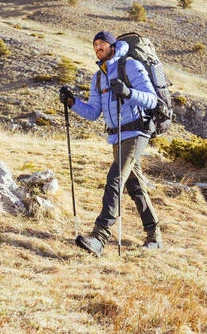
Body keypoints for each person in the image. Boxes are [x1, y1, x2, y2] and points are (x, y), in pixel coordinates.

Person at [59, 30, 162, 255]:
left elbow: (151, 99)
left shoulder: (130, 66)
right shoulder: (98, 77)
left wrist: (128, 92)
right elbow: (93, 112)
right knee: (135, 186)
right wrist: (72, 102)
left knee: (115, 179)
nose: (98, 47)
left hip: (136, 132)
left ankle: (100, 237)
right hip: (117, 137)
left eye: (102, 43)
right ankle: (154, 236)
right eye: (95, 44)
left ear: (112, 46)